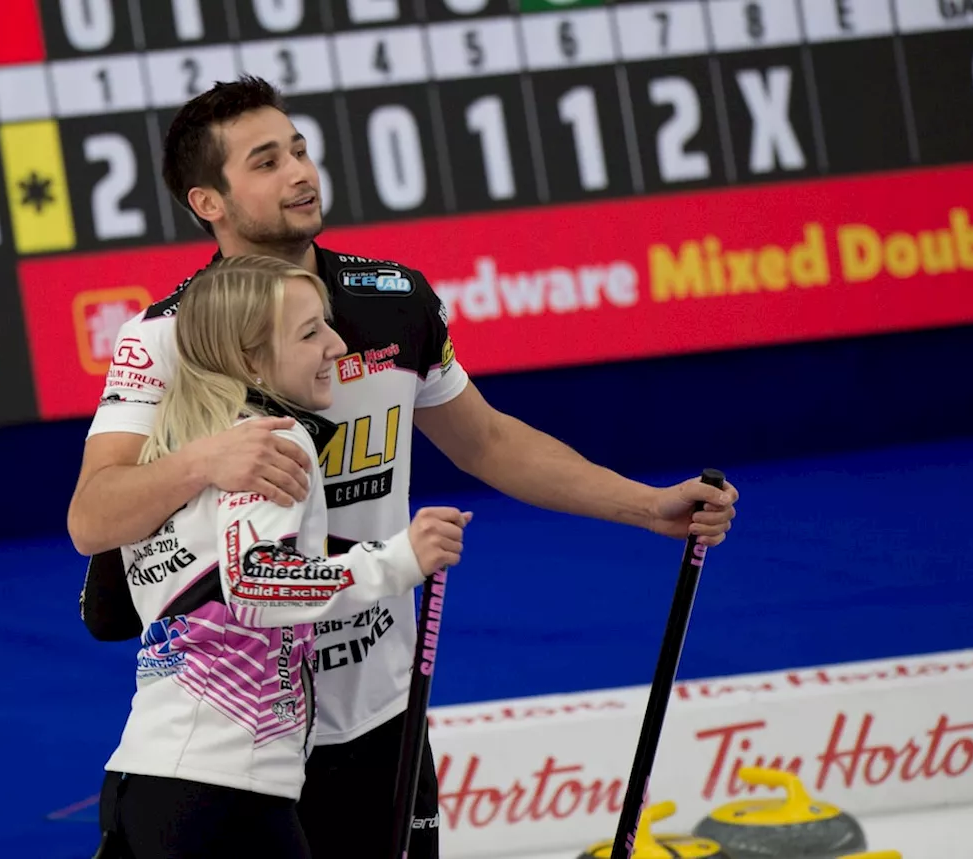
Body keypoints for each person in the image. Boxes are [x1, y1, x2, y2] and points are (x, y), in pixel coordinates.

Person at [69, 76, 739, 859]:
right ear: (208, 201)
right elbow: (94, 515)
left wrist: (645, 506)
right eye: (265, 162)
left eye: (299, 148)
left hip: (381, 714)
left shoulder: (395, 302)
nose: (299, 172)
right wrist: (204, 458)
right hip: (233, 735)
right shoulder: (163, 338)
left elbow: (487, 441)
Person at [90, 254, 473, 859]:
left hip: (151, 781)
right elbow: (254, 585)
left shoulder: (170, 455)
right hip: (220, 795)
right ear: (249, 360)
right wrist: (398, 561)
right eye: (310, 331)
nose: (338, 343)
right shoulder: (271, 439)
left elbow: (107, 610)